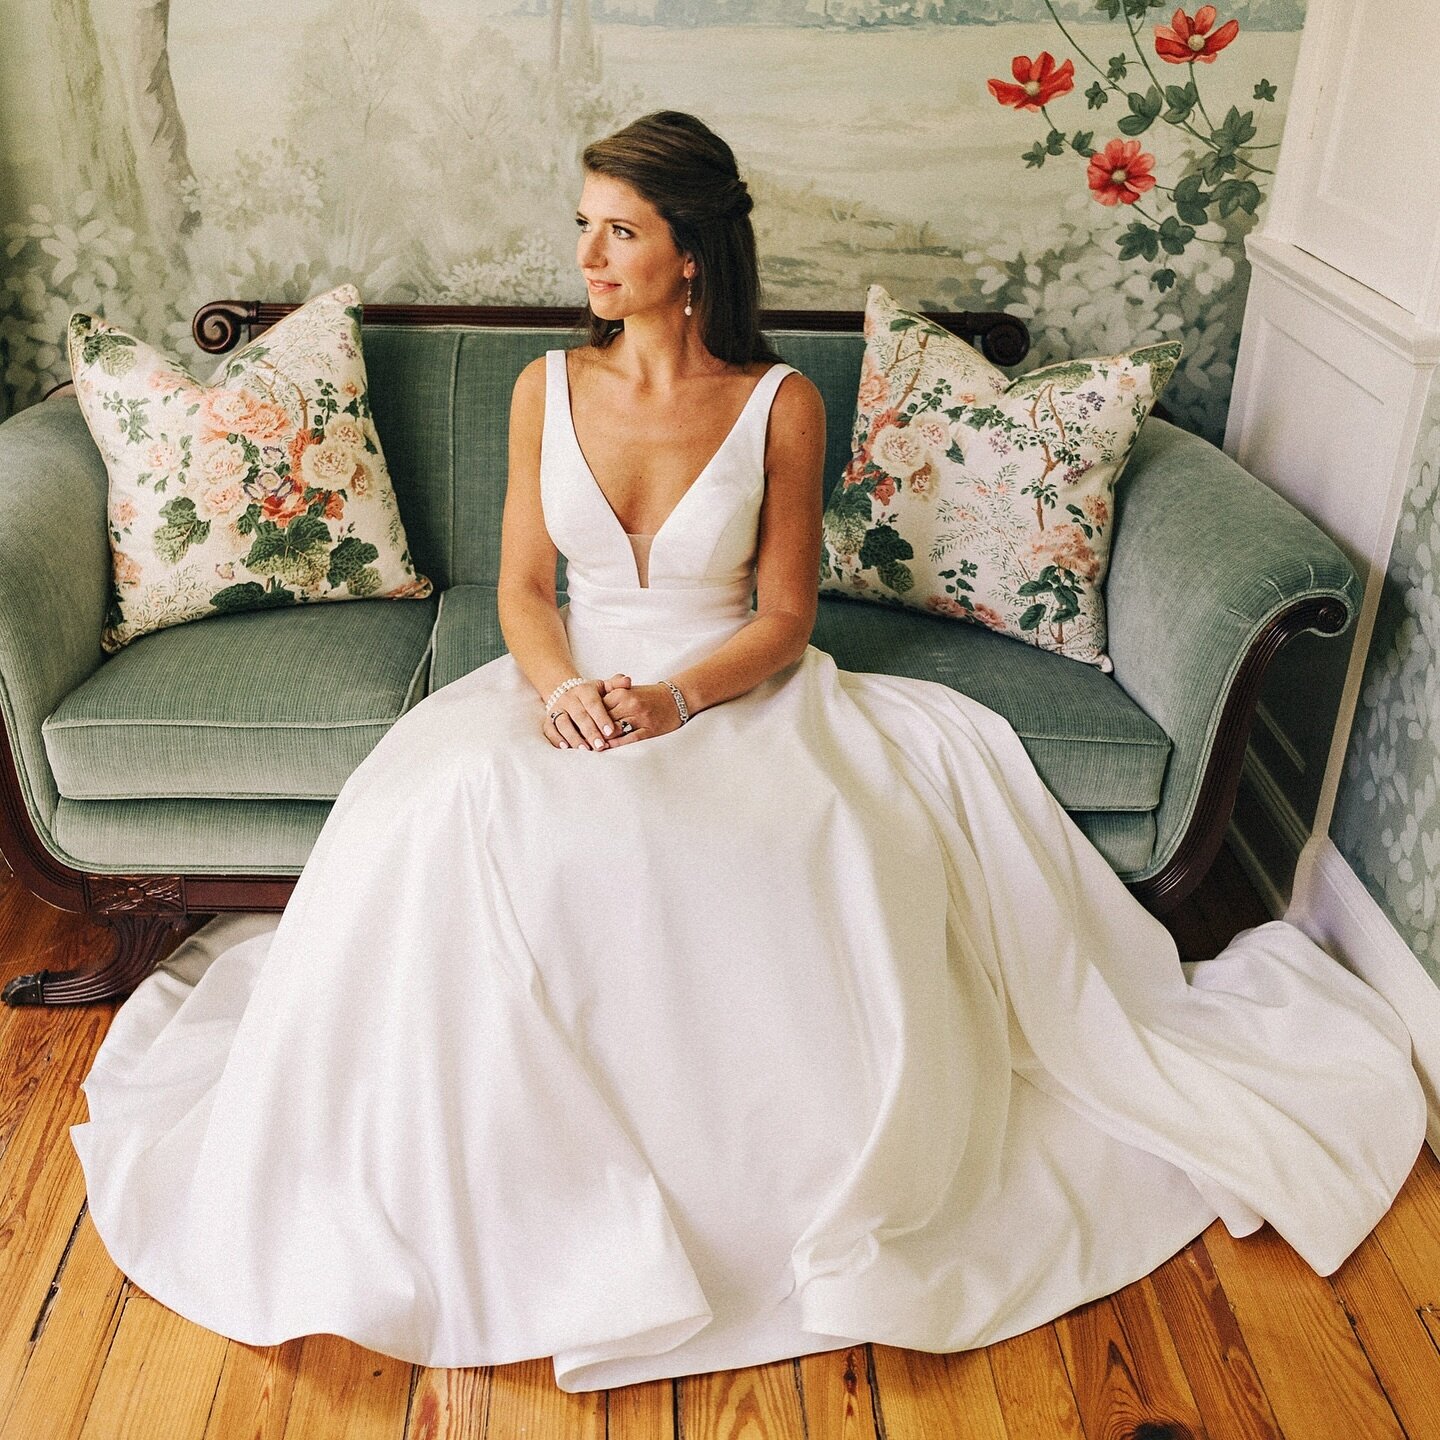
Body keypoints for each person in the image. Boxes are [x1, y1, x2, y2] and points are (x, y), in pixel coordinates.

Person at [72, 111, 1426, 1395]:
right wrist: (558, 697)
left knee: (794, 840)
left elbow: (784, 616)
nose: (587, 257)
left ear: (692, 254)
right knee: (447, 817)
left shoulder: (780, 402)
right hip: (563, 683)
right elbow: (526, 594)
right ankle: (507, 1187)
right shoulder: (547, 387)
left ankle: (763, 1192)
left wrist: (671, 705)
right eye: (586, 226)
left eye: (616, 232)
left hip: (727, 690)